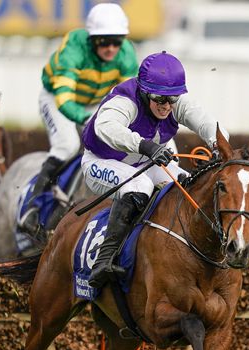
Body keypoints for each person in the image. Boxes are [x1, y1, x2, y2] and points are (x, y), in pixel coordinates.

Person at [81, 51, 228, 289]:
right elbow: (105, 126)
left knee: (185, 181)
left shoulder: (173, 102)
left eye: (172, 99)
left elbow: (209, 124)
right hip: (99, 162)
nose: (167, 106)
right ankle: (104, 260)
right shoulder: (125, 100)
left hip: (141, 164)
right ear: (144, 91)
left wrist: (219, 146)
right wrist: (146, 146)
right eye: (160, 99)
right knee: (140, 186)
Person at [18, 2, 138, 236]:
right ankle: (31, 207)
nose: (111, 48)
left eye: (117, 41)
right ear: (92, 38)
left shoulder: (127, 53)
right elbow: (65, 99)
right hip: (56, 97)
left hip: (94, 101)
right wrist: (88, 118)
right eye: (105, 41)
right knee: (68, 144)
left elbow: (129, 97)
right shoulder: (74, 46)